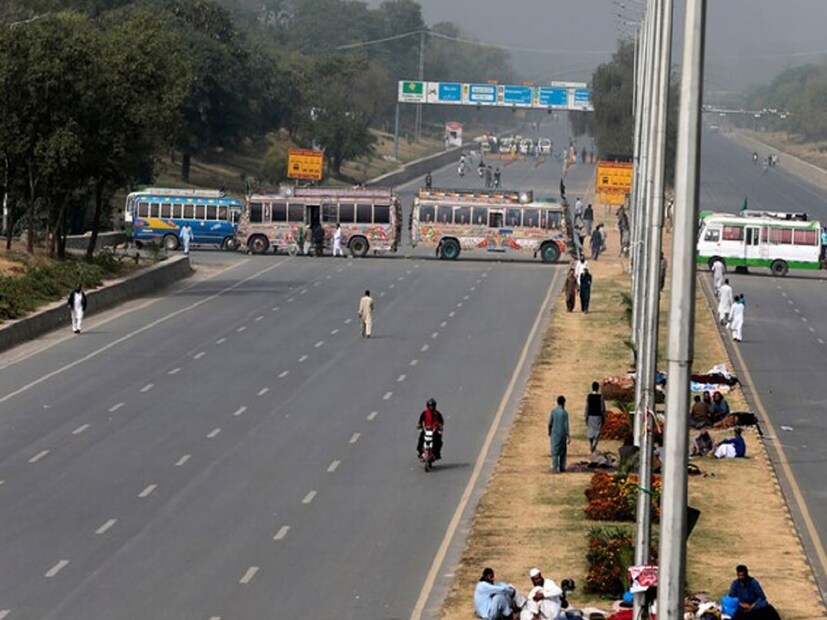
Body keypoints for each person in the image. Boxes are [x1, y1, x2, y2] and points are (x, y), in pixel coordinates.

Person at [548, 395, 570, 473]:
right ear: (563, 403)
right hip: (562, 434)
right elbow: (566, 426)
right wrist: (568, 436)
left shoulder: (553, 411)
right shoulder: (565, 413)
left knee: (554, 452)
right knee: (563, 452)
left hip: (555, 434)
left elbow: (550, 423)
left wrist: (549, 432)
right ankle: (562, 467)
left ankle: (554, 468)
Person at [584, 381, 606, 453]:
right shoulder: (601, 397)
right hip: (598, 416)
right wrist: (604, 416)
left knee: (591, 432)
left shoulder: (589, 396)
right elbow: (602, 408)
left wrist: (586, 416)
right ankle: (594, 445)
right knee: (597, 432)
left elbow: (587, 407)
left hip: (590, 416)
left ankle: (591, 444)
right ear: (598, 388)